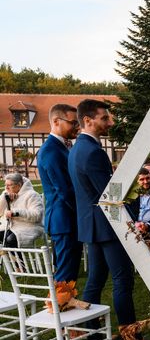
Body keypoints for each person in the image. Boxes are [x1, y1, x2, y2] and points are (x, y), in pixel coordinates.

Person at [68, 99, 150, 340]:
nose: (110, 122)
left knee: (95, 280)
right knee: (123, 280)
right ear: (88, 120)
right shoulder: (93, 152)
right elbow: (109, 195)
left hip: (90, 225)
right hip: (107, 224)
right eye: (104, 118)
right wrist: (130, 214)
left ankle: (92, 336)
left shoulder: (76, 149)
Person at [37, 103, 83, 282]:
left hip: (67, 219)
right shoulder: (50, 150)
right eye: (73, 123)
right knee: (65, 275)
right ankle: (60, 307)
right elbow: (64, 189)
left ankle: (64, 305)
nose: (77, 127)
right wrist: (85, 211)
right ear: (56, 121)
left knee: (70, 273)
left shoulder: (63, 147)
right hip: (63, 220)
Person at [0, 174, 44, 248]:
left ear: (19, 185)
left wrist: (15, 213)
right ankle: (9, 259)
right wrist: (5, 198)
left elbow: (37, 215)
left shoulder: (32, 195)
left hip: (30, 226)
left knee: (11, 240)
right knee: (5, 238)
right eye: (5, 185)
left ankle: (18, 259)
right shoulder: (7, 193)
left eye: (9, 185)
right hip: (10, 226)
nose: (6, 188)